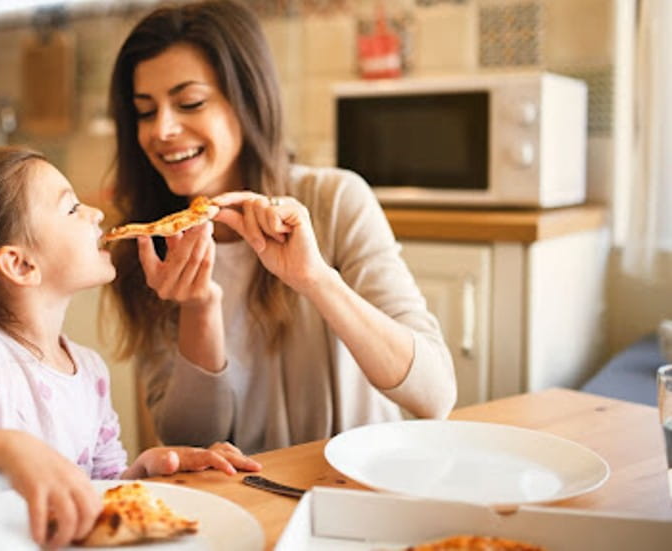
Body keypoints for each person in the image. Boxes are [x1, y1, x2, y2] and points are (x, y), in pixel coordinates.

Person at [0, 146, 260, 548]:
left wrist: (146, 473)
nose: (96, 214)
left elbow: (98, 488)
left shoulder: (89, 370)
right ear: (20, 265)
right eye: (71, 209)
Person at [106, 0, 457, 455]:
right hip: (247, 503)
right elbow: (187, 442)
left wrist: (314, 279)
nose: (163, 129)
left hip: (358, 487)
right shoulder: (148, 247)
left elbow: (434, 395)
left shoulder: (335, 202)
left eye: (189, 102)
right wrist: (198, 310)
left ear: (248, 100)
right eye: (145, 111)